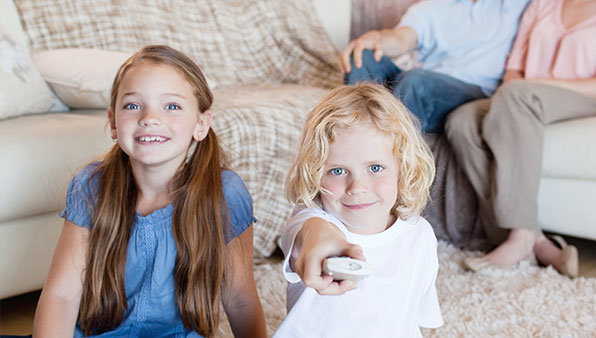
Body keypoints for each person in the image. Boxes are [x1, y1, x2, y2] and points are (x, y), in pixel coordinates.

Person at [32, 45, 266, 337]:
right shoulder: (91, 186)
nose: (150, 118)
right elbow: (61, 297)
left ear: (201, 124)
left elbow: (240, 299)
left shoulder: (225, 193)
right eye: (132, 105)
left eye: (171, 106)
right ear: (113, 123)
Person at [445, 0, 596, 277]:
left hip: (582, 100)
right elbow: (514, 69)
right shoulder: (542, 5)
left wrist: (534, 87)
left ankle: (519, 235)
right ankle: (535, 239)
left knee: (516, 96)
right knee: (462, 121)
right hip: (521, 98)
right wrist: (522, 88)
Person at [274, 83, 443, 337]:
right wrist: (314, 232)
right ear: (316, 174)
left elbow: (414, 318)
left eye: (375, 168)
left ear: (403, 167)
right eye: (338, 171)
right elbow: (305, 234)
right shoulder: (312, 221)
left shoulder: (420, 236)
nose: (357, 187)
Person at [341, 0, 531, 133]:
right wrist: (377, 39)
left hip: (471, 91)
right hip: (415, 83)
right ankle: (358, 134)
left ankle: (385, 149)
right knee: (361, 56)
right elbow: (401, 39)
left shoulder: (516, 5)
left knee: (417, 82)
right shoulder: (431, 8)